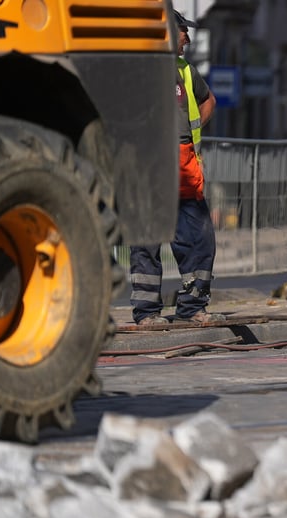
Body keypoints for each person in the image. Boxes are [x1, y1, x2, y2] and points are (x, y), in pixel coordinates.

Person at [129, 10, 224, 325]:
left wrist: (192, 131)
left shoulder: (185, 70)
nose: (188, 37)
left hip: (185, 167)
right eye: (184, 31)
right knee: (146, 241)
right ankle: (146, 313)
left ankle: (192, 308)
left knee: (199, 239)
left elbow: (208, 101)